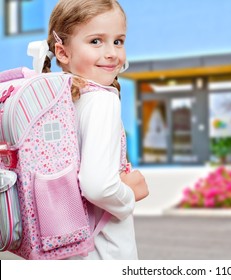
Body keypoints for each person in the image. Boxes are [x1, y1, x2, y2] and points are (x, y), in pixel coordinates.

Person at [40, 0, 149, 259]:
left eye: (118, 41)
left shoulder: (55, 99)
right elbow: (98, 186)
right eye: (96, 41)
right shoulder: (102, 100)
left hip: (66, 245)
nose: (112, 52)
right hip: (104, 251)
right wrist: (129, 195)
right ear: (63, 52)